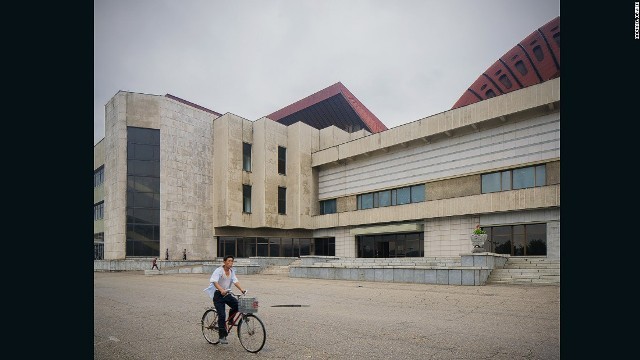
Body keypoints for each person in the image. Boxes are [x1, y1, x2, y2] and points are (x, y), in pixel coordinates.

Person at [208, 255, 246, 344]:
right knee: (221, 315)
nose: (231, 263)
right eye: (229, 261)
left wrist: (241, 289)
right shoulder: (219, 270)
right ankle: (222, 336)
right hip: (218, 295)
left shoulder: (232, 271)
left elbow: (235, 281)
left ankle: (230, 320)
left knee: (238, 305)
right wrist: (221, 290)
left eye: (232, 261)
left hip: (227, 294)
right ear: (224, 262)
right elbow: (214, 281)